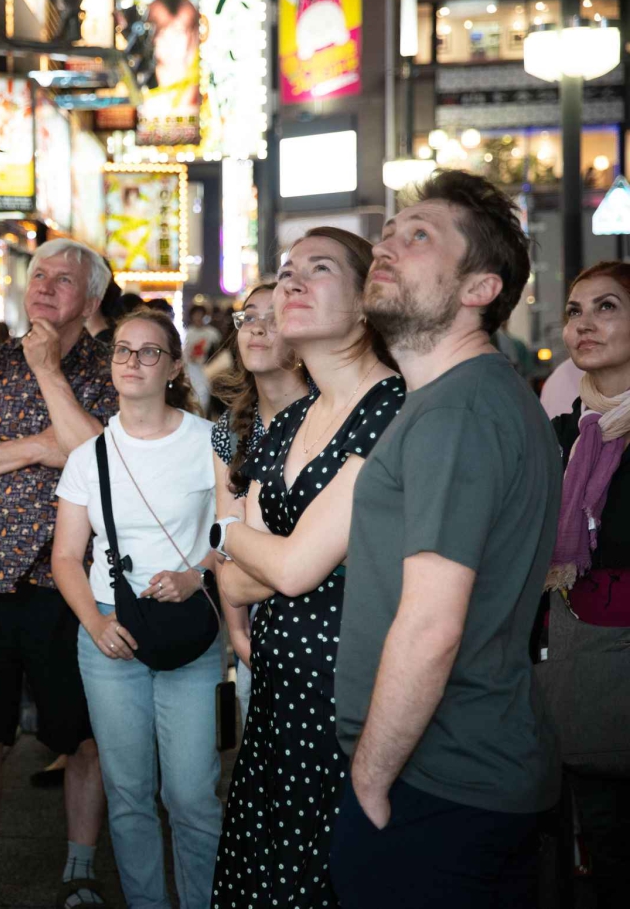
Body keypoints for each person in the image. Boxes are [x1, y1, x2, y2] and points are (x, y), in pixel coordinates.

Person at [328, 171, 558, 907]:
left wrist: (368, 779)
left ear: (479, 288)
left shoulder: (460, 409)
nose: (386, 245)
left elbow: (431, 625)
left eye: (418, 235)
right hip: (453, 776)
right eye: (389, 231)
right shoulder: (463, 398)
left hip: (440, 782)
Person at [210, 228, 403, 908]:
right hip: (276, 698)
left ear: (365, 302)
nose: (289, 282)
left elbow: (286, 567)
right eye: (286, 269)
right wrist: (246, 544)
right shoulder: (273, 420)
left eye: (317, 270)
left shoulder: (392, 409)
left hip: (349, 699)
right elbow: (233, 575)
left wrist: (234, 533)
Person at [0, 238, 117, 908]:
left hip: (74, 583)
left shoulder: (111, 366)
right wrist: (38, 446)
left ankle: (80, 868)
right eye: (39, 274)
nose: (45, 286)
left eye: (64, 279)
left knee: (83, 736)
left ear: (90, 299)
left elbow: (101, 458)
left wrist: (49, 374)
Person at [52, 309, 222, 909]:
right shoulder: (88, 455)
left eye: (150, 352)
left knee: (192, 793)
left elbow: (240, 529)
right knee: (128, 791)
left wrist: (198, 573)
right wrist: (95, 623)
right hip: (110, 628)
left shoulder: (212, 440)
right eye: (124, 350)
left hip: (190, 628)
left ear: (175, 366)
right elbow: (67, 558)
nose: (133, 362)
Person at [541, 260, 630, 905]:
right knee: (588, 842)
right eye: (576, 310)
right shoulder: (564, 432)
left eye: (607, 307)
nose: (585, 324)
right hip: (574, 665)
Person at [207, 283, 312, 722]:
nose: (257, 328)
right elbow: (225, 544)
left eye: (274, 316)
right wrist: (239, 636)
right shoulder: (229, 429)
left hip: (330, 626)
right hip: (259, 630)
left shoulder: (332, 416)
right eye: (249, 316)